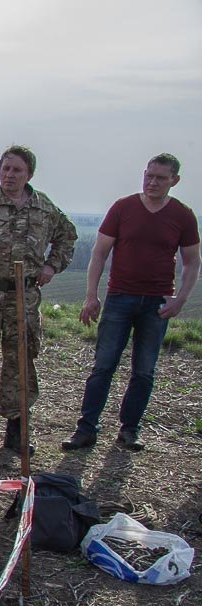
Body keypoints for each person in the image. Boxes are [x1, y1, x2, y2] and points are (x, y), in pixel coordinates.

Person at [62, 154, 200, 452]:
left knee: (144, 371)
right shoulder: (123, 207)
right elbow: (99, 253)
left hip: (157, 302)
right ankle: (86, 429)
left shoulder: (182, 215)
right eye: (149, 175)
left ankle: (129, 430)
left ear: (174, 180)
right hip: (119, 298)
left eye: (161, 178)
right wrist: (91, 295)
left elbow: (192, 261)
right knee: (103, 366)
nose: (153, 182)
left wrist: (181, 299)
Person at [0, 145, 77, 454]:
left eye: (17, 170)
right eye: (5, 169)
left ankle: (15, 428)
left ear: (29, 175)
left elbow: (67, 237)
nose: (9, 175)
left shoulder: (44, 207)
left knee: (20, 360)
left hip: (24, 295)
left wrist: (52, 266)